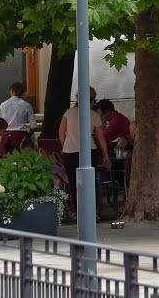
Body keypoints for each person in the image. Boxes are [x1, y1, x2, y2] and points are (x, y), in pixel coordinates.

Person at [58, 87, 111, 219]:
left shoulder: (68, 113)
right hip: (89, 151)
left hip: (69, 152)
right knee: (90, 182)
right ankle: (93, 213)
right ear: (92, 101)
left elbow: (61, 132)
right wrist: (106, 156)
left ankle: (78, 212)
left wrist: (66, 145)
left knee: (73, 183)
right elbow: (100, 137)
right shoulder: (94, 115)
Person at [0, 82, 37, 154]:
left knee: (6, 161)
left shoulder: (3, 104)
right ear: (22, 93)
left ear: (11, 91)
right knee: (22, 160)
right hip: (21, 136)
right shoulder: (26, 105)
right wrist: (28, 136)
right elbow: (34, 126)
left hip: (6, 136)